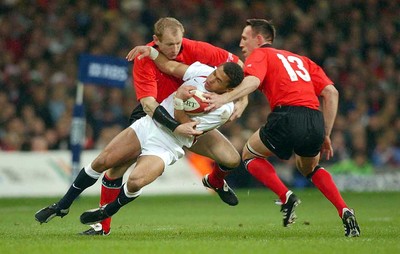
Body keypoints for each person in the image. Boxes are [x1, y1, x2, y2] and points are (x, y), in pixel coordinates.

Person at [35, 55, 245, 230]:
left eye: (218, 80)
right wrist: (152, 53)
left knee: (136, 181)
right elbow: (171, 65)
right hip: (149, 125)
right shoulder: (201, 71)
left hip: (169, 143)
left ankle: (107, 211)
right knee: (103, 161)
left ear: (227, 90)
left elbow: (184, 125)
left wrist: (180, 99)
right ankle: (62, 205)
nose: (211, 79)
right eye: (214, 73)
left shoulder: (222, 110)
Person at [85, 17, 247, 235]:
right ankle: (102, 226)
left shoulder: (198, 51)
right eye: (169, 44)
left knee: (232, 159)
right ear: (156, 41)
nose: (175, 48)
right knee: (117, 169)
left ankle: (215, 182)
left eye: (178, 43)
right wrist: (178, 101)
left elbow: (238, 66)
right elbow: (150, 101)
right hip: (155, 115)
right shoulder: (144, 58)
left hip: (190, 124)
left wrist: (242, 97)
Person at [204, 19, 360, 237]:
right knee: (309, 168)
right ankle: (345, 211)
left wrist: (224, 99)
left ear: (259, 39)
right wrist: (325, 133)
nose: (241, 44)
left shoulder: (260, 54)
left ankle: (285, 195)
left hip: (287, 115)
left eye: (244, 38)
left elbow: (253, 82)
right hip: (314, 118)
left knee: (249, 155)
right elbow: (331, 93)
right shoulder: (301, 59)